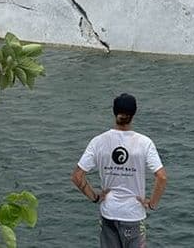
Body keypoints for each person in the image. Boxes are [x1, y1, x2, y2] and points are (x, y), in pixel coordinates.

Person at [71, 93, 168, 248]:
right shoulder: (144, 143)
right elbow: (162, 177)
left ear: (114, 112)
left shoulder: (98, 142)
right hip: (133, 215)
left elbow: (77, 176)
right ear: (134, 114)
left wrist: (95, 197)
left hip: (108, 213)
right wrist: (151, 204)